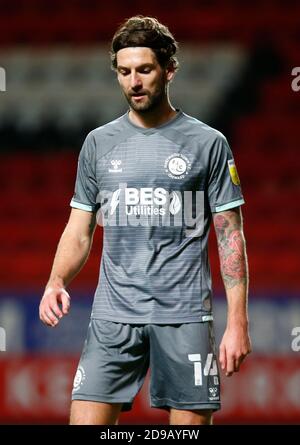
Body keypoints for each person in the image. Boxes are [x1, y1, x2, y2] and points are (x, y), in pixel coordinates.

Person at [39, 15, 251, 425]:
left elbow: (231, 236)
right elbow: (79, 228)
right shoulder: (98, 143)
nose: (133, 81)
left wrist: (237, 322)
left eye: (144, 70)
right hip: (113, 316)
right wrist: (56, 280)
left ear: (169, 70)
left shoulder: (209, 143)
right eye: (124, 72)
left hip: (185, 316)